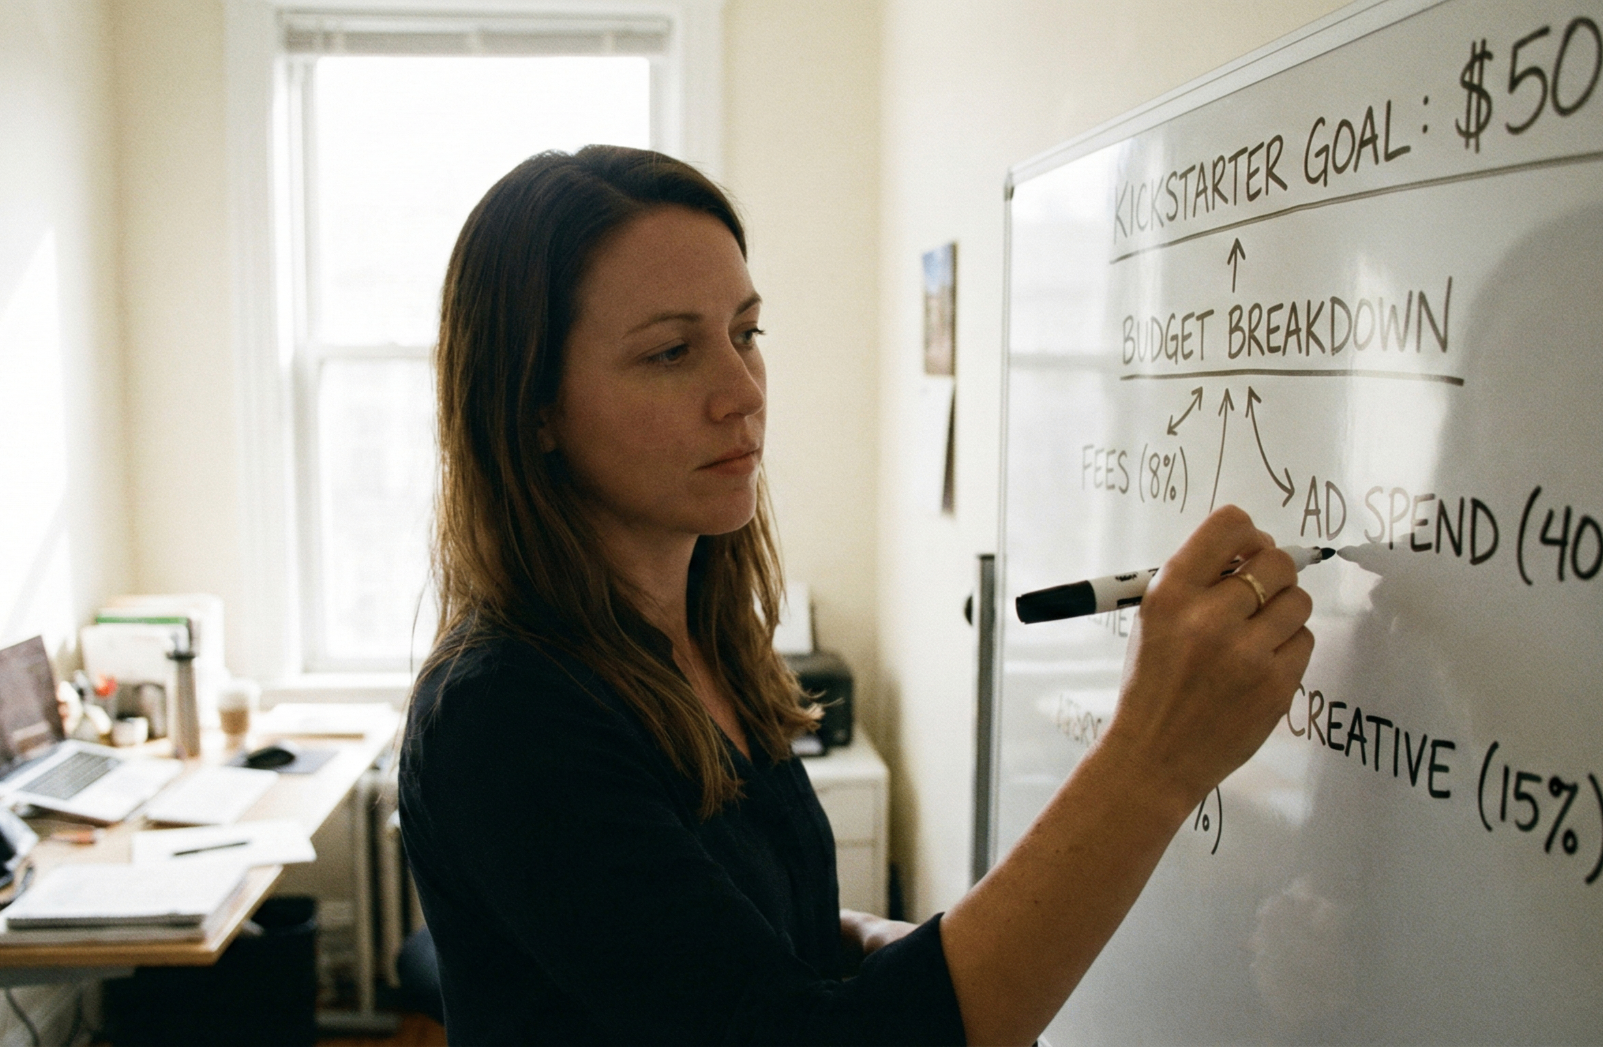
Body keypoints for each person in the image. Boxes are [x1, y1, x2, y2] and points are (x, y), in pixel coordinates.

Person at [398, 145, 1314, 1046]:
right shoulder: (504, 712)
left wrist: (868, 941)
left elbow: (714, 945)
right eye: (673, 351)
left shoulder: (706, 643)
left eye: (746, 333)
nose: (742, 390)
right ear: (534, 409)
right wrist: (1150, 761)